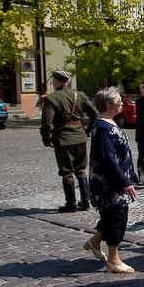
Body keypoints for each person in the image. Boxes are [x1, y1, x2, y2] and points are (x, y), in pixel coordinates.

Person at [83, 87, 137, 273]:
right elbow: (107, 158)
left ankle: (94, 242)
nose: (121, 103)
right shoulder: (103, 128)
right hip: (110, 185)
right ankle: (113, 260)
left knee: (109, 216)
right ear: (107, 104)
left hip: (115, 181)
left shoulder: (109, 123)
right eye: (118, 100)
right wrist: (124, 182)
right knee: (116, 218)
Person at [40, 68, 98, 212]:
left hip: (63, 138)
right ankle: (86, 201)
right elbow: (95, 114)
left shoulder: (51, 98)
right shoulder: (80, 95)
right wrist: (88, 130)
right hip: (80, 137)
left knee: (67, 172)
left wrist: (47, 139)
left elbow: (46, 123)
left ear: (55, 81)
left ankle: (71, 203)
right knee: (81, 170)